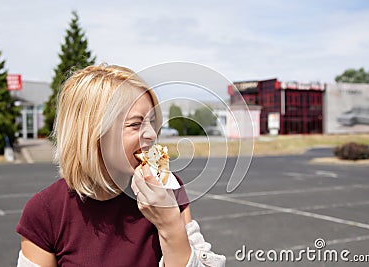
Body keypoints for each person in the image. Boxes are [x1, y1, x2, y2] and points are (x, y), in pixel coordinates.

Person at [16, 64, 226, 267]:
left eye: (152, 121)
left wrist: (170, 225)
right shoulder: (45, 211)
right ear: (93, 135)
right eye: (135, 124)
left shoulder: (167, 188)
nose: (152, 134)